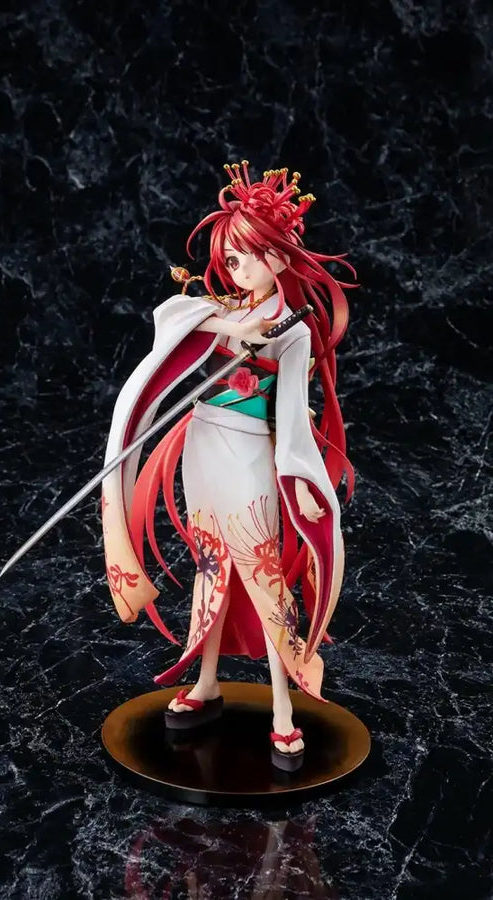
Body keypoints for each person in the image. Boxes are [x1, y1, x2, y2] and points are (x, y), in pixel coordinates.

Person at [101, 161, 357, 768]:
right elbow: (171, 315)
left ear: (280, 258)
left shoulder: (293, 331)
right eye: (231, 258)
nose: (237, 269)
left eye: (248, 256)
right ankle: (207, 681)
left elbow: (291, 413)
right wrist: (226, 322)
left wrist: (302, 478)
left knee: (262, 574)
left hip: (248, 453)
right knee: (210, 565)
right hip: (201, 446)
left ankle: (283, 709)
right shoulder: (223, 309)